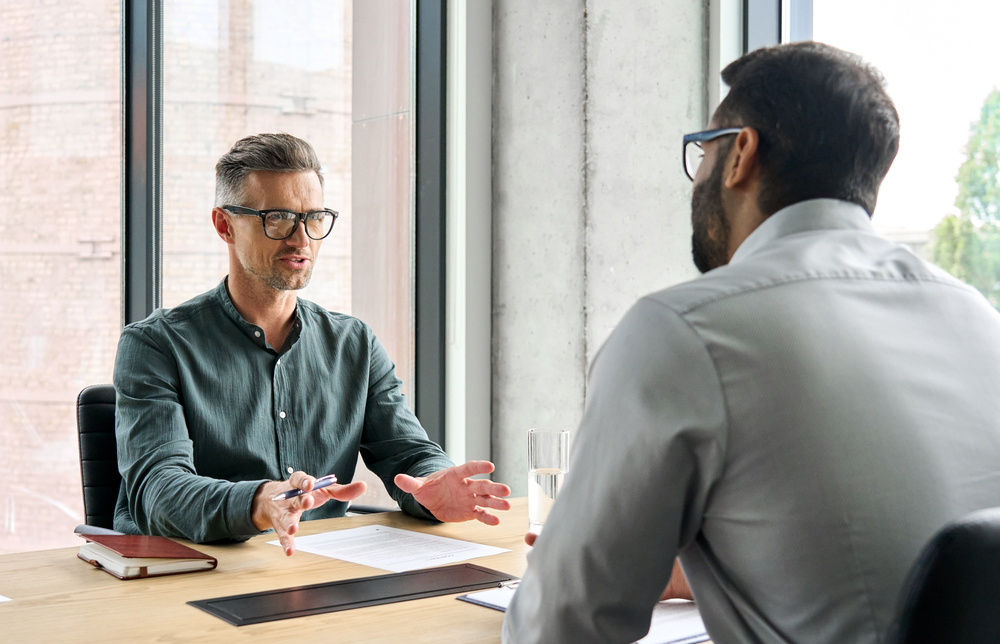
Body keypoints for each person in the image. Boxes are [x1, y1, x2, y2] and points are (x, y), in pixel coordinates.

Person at [503, 42, 1000, 644]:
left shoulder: (686, 330)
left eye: (703, 151)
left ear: (740, 152)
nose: (698, 181)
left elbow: (559, 627)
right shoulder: (975, 316)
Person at [113, 133, 510, 554]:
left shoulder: (353, 343)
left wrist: (433, 483)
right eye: (279, 218)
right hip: (190, 580)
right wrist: (259, 503)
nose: (301, 239)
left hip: (315, 573)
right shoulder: (155, 345)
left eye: (314, 217)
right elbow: (158, 491)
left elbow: (409, 455)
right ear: (224, 224)